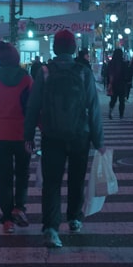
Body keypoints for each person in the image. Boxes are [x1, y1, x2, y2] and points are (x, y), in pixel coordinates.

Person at [24, 30, 104, 248]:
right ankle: (75, 218)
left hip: (51, 135)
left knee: (52, 182)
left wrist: (28, 134)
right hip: (80, 135)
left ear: (55, 48)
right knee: (77, 178)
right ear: (73, 48)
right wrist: (99, 140)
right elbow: (93, 108)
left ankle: (51, 227)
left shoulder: (45, 72)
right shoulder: (83, 72)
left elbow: (33, 105)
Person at [0, 41, 34, 234]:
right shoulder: (26, 79)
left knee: (4, 178)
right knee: (22, 174)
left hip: (1, 135)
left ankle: (7, 221)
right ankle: (19, 207)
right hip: (23, 135)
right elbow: (33, 107)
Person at [106, 48, 132, 119]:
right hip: (122, 84)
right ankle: (121, 115)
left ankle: (111, 111)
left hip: (113, 84)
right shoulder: (124, 63)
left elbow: (108, 74)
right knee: (121, 101)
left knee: (113, 99)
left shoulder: (111, 63)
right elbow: (127, 74)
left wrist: (108, 83)